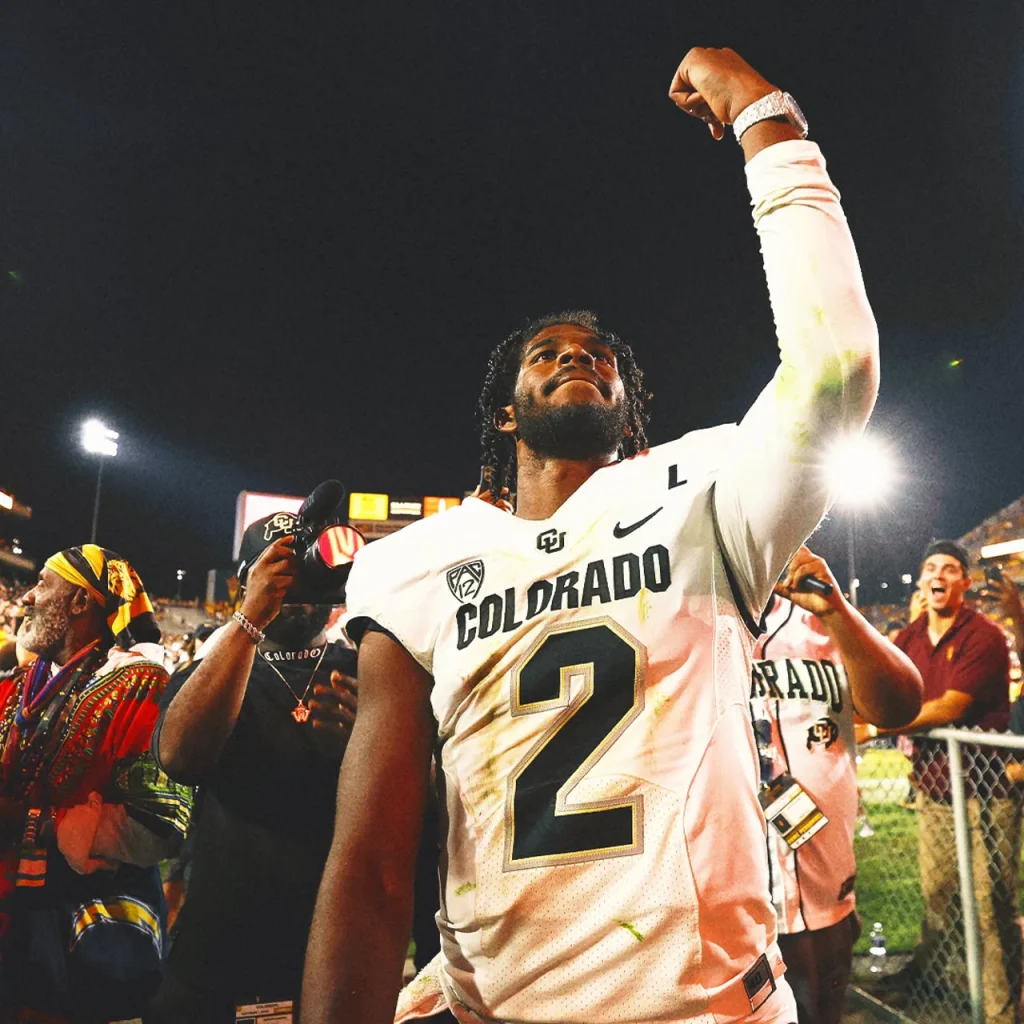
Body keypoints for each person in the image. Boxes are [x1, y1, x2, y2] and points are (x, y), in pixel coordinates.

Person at [302, 46, 880, 1024]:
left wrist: (764, 117)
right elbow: (369, 861)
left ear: (628, 407)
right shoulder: (411, 566)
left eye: (599, 355)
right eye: (548, 353)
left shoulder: (703, 493)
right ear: (505, 412)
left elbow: (835, 370)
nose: (579, 356)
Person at [147, 510, 359, 1023]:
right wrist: (249, 621)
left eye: (306, 571)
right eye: (280, 572)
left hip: (332, 948)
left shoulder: (365, 674)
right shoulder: (214, 674)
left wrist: (364, 747)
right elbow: (179, 758)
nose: (296, 589)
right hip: (219, 948)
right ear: (246, 581)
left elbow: (425, 807)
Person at [0, 545, 192, 1021]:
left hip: (77, 940)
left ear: (81, 601)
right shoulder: (18, 684)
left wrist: (37, 822)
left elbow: (157, 826)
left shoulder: (142, 685)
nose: (28, 597)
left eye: (42, 583)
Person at [750, 546, 922, 1024]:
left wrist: (838, 611)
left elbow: (900, 706)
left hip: (824, 894)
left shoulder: (820, 618)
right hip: (726, 903)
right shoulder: (688, 619)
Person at [872, 540, 1020, 1024]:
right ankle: (950, 985)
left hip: (985, 792)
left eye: (950, 569)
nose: (939, 574)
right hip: (935, 789)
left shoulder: (983, 635)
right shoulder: (909, 637)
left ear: (965, 582)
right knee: (938, 895)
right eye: (931, 567)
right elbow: (884, 685)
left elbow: (951, 706)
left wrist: (877, 726)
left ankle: (999, 1011)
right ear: (921, 580)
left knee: (989, 906)